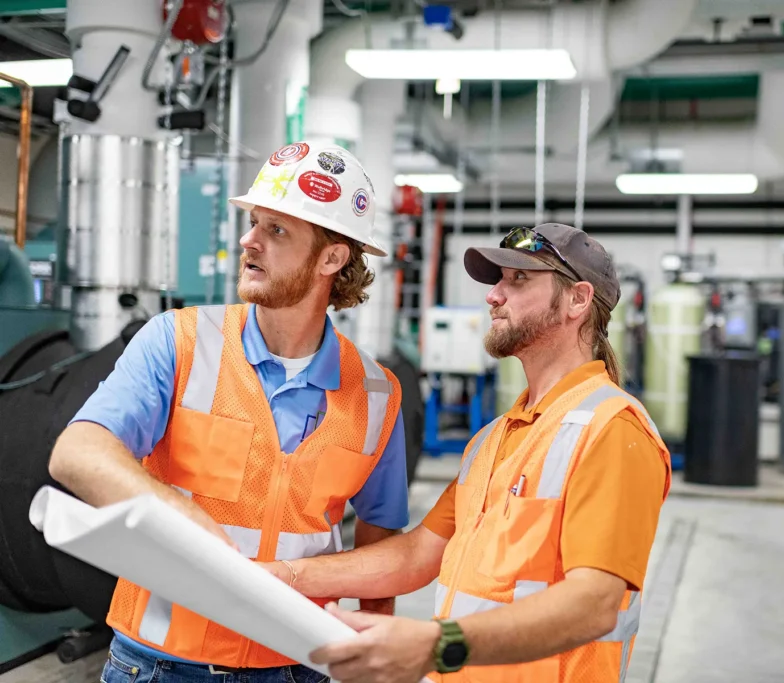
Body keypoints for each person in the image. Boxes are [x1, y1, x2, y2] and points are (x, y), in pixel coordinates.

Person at [48, 141, 408, 683]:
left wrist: (375, 654)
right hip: (158, 663)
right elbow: (76, 453)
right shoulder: (179, 342)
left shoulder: (378, 393)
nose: (248, 240)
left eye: (277, 230)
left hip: (296, 665)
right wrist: (183, 517)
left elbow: (380, 539)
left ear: (332, 259)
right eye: (254, 222)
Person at [262, 223, 672, 683]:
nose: (494, 296)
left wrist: (437, 645)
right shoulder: (492, 439)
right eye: (498, 280)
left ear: (577, 300)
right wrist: (282, 575)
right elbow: (417, 556)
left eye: (518, 281)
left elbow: (595, 603)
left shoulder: (612, 429)